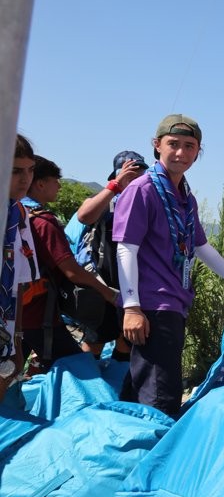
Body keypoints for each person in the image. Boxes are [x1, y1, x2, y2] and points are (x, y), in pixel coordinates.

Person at [113, 115, 224, 417]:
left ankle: (130, 445)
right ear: (157, 146)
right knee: (161, 393)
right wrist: (131, 307)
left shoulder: (185, 198)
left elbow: (201, 247)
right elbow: (126, 248)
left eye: (189, 146)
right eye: (173, 144)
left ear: (198, 151)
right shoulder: (143, 190)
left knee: (145, 381)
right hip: (151, 305)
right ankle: (158, 454)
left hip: (173, 301)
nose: (181, 153)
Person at [20, 156, 119, 369]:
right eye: (55, 180)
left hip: (14, 310)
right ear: (40, 183)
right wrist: (107, 293)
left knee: (10, 368)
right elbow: (71, 271)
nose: (59, 186)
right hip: (39, 314)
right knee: (76, 367)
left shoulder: (16, 215)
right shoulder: (43, 222)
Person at [74, 149, 149, 357]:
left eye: (139, 175)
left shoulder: (144, 202)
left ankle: (118, 387)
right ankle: (86, 388)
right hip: (102, 286)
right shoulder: (106, 200)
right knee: (95, 341)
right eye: (129, 174)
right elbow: (84, 216)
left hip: (133, 287)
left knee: (126, 342)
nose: (134, 180)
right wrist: (116, 185)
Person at [0, 135, 42, 400]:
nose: (25, 179)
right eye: (16, 171)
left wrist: (16, 344)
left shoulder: (19, 215)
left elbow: (18, 286)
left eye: (30, 170)